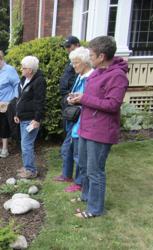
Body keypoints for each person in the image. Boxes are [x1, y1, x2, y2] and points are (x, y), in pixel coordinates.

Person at [69, 36, 128, 218]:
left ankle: (95, 209)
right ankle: (86, 196)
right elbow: (91, 97)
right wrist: (78, 98)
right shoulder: (96, 72)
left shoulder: (117, 76)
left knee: (95, 171)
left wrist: (84, 99)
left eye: (92, 55)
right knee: (85, 166)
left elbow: (112, 105)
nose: (90, 59)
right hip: (86, 127)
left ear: (102, 56)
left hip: (101, 131)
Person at [52, 47, 94, 192]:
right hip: (74, 121)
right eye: (72, 63)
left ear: (86, 62)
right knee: (67, 149)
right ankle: (68, 176)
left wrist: (77, 100)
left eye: (76, 63)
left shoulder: (90, 78)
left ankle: (80, 183)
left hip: (83, 122)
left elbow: (89, 100)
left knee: (79, 155)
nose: (73, 66)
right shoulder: (80, 77)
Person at [13, 56, 46, 179]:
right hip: (23, 117)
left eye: (23, 68)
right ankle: (27, 166)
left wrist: (37, 119)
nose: (21, 69)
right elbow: (20, 99)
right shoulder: (24, 80)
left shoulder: (39, 81)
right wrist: (17, 113)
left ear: (30, 70)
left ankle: (31, 170)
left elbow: (40, 101)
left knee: (27, 144)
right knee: (24, 143)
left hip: (31, 118)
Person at [58, 36, 80, 158]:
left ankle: (67, 152)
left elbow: (76, 79)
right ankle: (66, 150)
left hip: (71, 96)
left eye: (69, 46)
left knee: (71, 126)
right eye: (66, 47)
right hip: (66, 96)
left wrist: (71, 94)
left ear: (77, 45)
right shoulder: (70, 60)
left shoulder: (79, 61)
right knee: (66, 125)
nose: (67, 49)